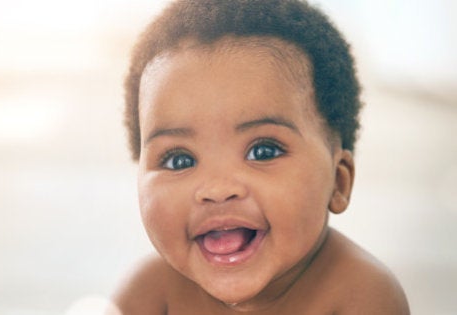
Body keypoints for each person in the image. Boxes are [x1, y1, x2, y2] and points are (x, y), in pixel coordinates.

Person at [113, 0, 410, 314]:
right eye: (179, 160)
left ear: (338, 182)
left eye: (262, 152)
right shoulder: (150, 292)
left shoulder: (362, 295)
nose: (217, 189)